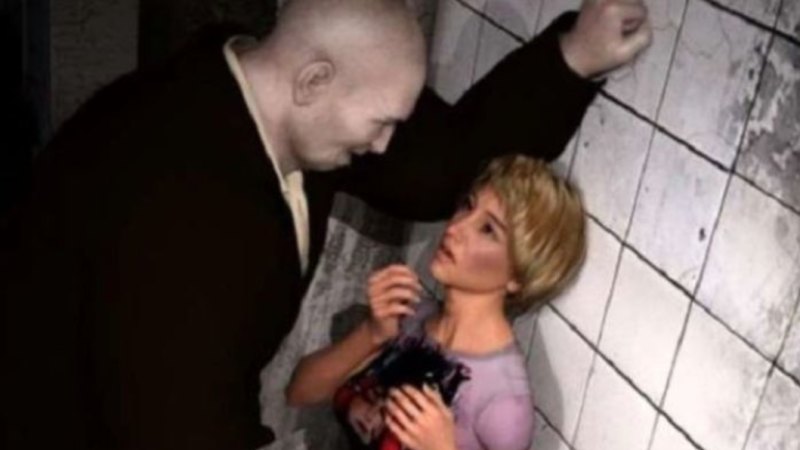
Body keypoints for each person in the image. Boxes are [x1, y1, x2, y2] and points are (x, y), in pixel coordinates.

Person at [2, 0, 651, 448]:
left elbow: (437, 164)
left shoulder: (257, 80)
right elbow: (184, 425)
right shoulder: (180, 222)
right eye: (380, 123)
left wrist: (576, 54)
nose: (382, 147)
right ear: (314, 81)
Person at [286, 155, 587, 450]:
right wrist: (372, 332)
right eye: (468, 205)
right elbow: (299, 392)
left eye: (488, 229)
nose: (456, 228)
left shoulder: (503, 403)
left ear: (519, 277)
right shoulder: (414, 315)